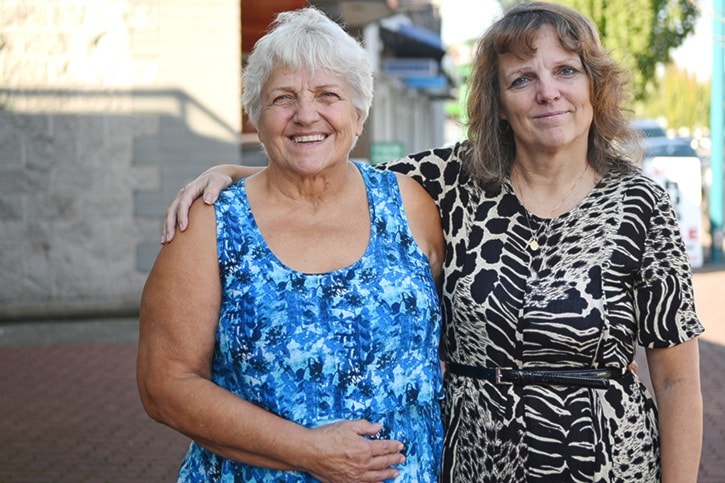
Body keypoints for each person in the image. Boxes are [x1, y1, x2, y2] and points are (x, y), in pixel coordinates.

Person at [162, 3, 704, 482]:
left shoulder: (641, 204)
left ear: (595, 85)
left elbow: (677, 381)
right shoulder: (451, 180)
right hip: (476, 462)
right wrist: (233, 172)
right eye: (522, 79)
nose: (547, 92)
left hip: (606, 460)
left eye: (566, 70)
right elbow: (323, 166)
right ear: (498, 100)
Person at [137, 7, 446, 482]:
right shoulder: (209, 225)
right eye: (284, 98)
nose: (306, 115)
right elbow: (165, 384)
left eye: (328, 95)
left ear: (359, 113)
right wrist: (306, 451)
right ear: (256, 117)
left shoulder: (409, 205)